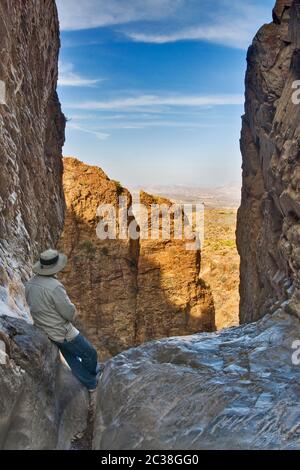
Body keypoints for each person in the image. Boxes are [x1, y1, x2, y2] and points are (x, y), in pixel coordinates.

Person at [25, 248, 101, 392]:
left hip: (43, 329)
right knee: (90, 353)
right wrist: (73, 309)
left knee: (71, 357)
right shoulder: (55, 287)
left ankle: (89, 381)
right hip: (62, 332)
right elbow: (69, 313)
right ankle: (91, 382)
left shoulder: (30, 283)